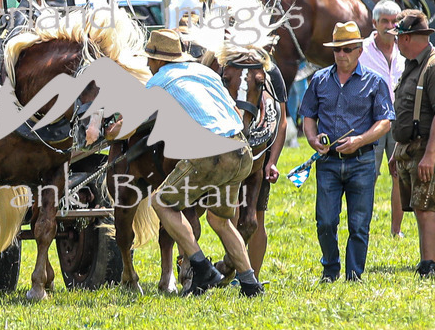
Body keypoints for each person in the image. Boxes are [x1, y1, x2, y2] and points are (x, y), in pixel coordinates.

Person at [107, 29, 265, 297]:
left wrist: (108, 132)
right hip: (241, 151)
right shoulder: (204, 73)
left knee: (160, 202)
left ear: (160, 61)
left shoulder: (160, 81)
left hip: (210, 152)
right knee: (220, 220)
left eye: (150, 59)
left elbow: (128, 128)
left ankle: (202, 268)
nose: (148, 64)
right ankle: (251, 285)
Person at [299, 21, 394, 282]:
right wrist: (312, 138)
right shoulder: (319, 80)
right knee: (326, 222)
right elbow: (308, 115)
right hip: (328, 161)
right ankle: (330, 269)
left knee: (359, 224)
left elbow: (385, 121)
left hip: (362, 161)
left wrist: (361, 140)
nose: (342, 55)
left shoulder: (375, 82)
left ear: (359, 51)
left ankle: (354, 275)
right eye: (337, 50)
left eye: (347, 49)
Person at [387, 10, 435, 277]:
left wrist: (429, 154)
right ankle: (433, 263)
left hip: (429, 147)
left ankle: (431, 267)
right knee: (421, 207)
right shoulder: (414, 64)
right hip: (411, 147)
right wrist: (397, 150)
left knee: (426, 207)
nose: (396, 42)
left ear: (408, 38)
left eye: (398, 37)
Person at [357, 0, 405, 237]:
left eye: (395, 21)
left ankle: (396, 231)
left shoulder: (405, 48)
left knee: (399, 174)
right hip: (371, 119)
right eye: (385, 21)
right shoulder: (361, 49)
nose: (390, 26)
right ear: (374, 23)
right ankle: (361, 227)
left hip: (400, 118)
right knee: (369, 174)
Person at [246, 53, 288, 273]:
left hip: (260, 153)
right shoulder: (225, 66)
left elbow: (282, 121)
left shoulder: (270, 69)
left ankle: (252, 274)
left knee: (256, 215)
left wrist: (272, 161)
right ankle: (236, 268)